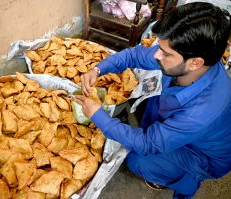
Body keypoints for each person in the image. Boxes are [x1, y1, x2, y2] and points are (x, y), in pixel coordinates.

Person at [73, 2, 231, 199]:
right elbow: (135, 55)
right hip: (185, 124)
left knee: (136, 159)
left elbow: (148, 143)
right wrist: (97, 69)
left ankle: (185, 181)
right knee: (149, 109)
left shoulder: (201, 113)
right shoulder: (184, 60)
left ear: (195, 62)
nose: (157, 55)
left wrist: (98, 116)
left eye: (166, 53)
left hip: (202, 156)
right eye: (160, 47)